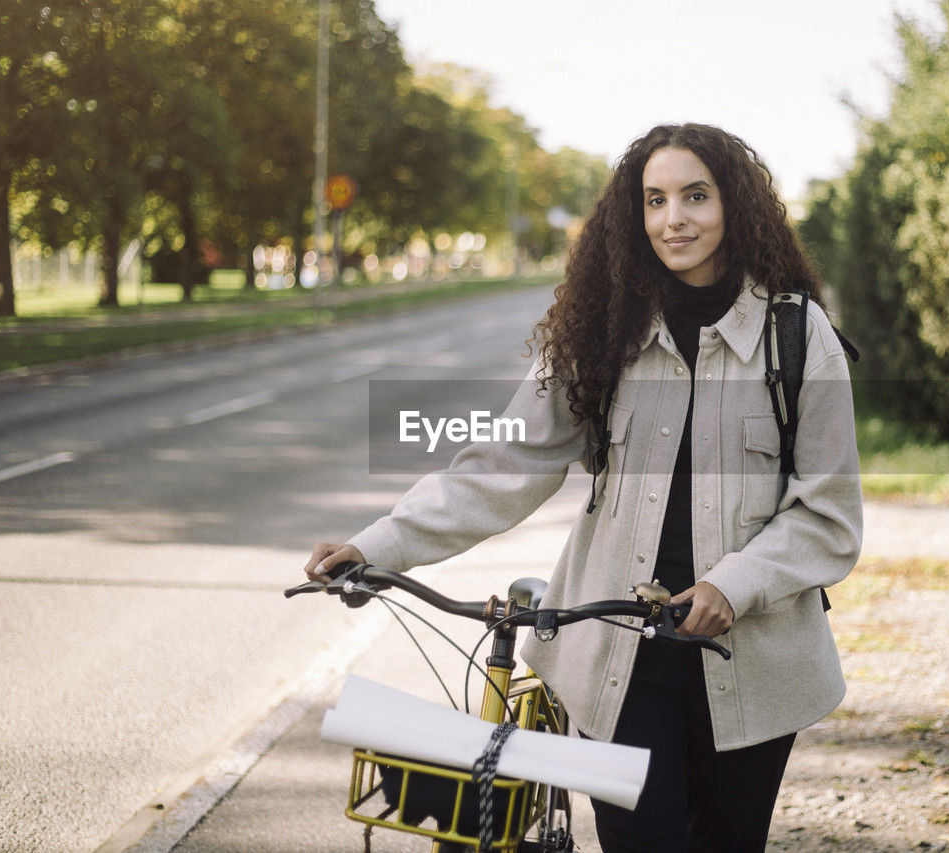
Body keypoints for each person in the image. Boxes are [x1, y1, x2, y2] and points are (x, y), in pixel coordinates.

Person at [303, 123, 863, 852]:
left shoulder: (800, 335)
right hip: (619, 658)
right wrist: (375, 546)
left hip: (756, 660)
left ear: (735, 205)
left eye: (696, 196)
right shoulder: (606, 330)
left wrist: (736, 582)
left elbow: (828, 514)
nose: (673, 218)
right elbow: (502, 466)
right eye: (655, 200)